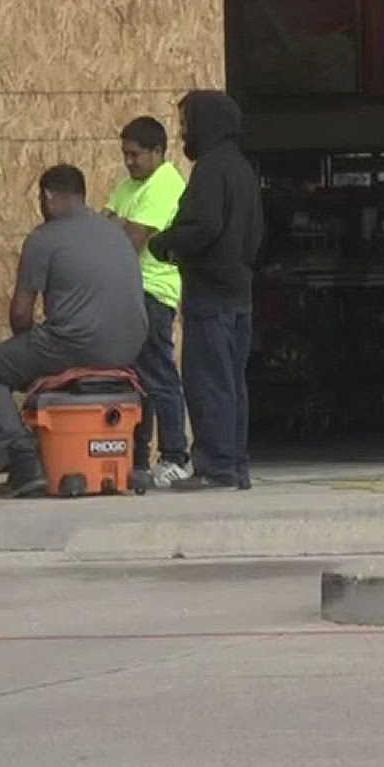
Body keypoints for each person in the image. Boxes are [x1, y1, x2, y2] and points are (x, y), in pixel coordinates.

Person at [0, 164, 149, 497]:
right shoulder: (115, 233)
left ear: (49, 197)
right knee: (36, 358)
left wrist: (27, 351)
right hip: (129, 347)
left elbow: (21, 314)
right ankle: (136, 463)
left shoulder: (44, 238)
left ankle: (24, 464)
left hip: (73, 343)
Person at [147, 91, 265, 491]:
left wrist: (165, 243)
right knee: (232, 382)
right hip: (239, 294)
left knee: (208, 382)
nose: (183, 133)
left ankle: (215, 468)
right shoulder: (243, 169)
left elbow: (203, 227)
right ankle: (235, 466)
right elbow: (254, 235)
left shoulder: (211, 170)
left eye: (186, 123)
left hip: (211, 295)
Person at [104, 116, 192, 488]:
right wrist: (119, 225)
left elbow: (130, 240)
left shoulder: (166, 183)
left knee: (158, 373)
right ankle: (138, 456)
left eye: (135, 155)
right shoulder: (129, 185)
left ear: (158, 152)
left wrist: (120, 225)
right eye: (125, 154)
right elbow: (102, 229)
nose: (128, 161)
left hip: (154, 291)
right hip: (127, 291)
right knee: (135, 377)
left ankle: (174, 455)